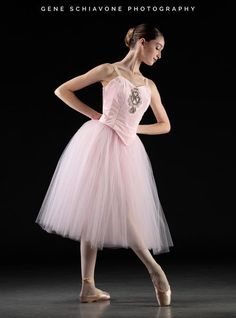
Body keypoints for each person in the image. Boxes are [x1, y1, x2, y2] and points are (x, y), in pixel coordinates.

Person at [35, 23, 173, 306]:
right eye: (157, 47)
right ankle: (154, 271)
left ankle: (89, 286)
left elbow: (165, 125)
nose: (159, 54)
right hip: (101, 144)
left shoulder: (150, 85)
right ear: (142, 42)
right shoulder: (109, 70)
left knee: (115, 211)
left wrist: (136, 130)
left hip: (128, 149)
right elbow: (63, 90)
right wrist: (95, 115)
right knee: (95, 211)